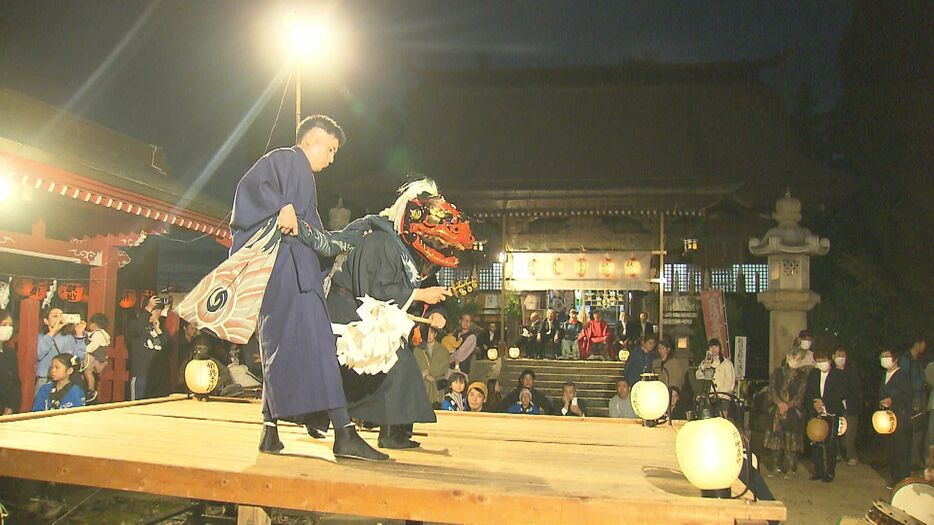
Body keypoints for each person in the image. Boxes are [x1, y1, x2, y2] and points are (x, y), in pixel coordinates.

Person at [230, 114, 385, 460]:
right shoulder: (287, 159)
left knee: (276, 347)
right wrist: (279, 206)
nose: (331, 159)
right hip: (291, 273)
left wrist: (337, 244)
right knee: (319, 348)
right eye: (329, 149)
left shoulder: (300, 174)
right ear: (312, 140)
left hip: (281, 275)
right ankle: (344, 432)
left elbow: (314, 233)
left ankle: (269, 430)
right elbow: (249, 189)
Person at [326, 178, 474, 451]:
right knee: (381, 369)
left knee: (399, 365)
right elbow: (371, 290)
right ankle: (363, 429)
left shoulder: (412, 255)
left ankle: (393, 432)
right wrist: (418, 296)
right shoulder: (381, 241)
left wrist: (438, 310)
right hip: (349, 315)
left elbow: (428, 290)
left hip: (376, 318)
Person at [764, 349, 808, 478]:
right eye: (793, 357)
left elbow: (801, 394)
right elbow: (772, 390)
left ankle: (790, 468)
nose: (795, 360)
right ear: (788, 357)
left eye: (798, 358)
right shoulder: (777, 373)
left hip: (794, 412)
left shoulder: (802, 376)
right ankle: (776, 466)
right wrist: (779, 403)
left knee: (792, 440)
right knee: (776, 439)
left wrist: (789, 405)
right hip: (777, 410)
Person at [805, 350, 847, 483]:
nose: (821, 363)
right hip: (816, 412)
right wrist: (815, 402)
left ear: (830, 361)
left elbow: (840, 392)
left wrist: (825, 402)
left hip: (831, 411)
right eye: (818, 361)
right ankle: (818, 470)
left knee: (830, 442)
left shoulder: (838, 375)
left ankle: (829, 471)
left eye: (823, 361)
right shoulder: (814, 374)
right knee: (816, 441)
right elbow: (809, 391)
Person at [878, 348, 913, 485]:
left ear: (895, 359)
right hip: (887, 417)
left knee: (901, 447)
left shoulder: (902, 375)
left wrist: (892, 400)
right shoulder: (885, 374)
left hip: (900, 416)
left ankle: (902, 477)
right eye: (882, 356)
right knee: (891, 447)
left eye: (887, 356)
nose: (884, 359)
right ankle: (894, 476)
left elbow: (907, 395)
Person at [126, 296, 169, 401]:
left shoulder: (158, 328)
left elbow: (165, 348)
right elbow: (136, 330)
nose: (157, 313)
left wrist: (158, 330)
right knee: (137, 405)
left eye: (159, 310)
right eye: (155, 310)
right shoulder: (136, 324)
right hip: (140, 374)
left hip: (155, 377)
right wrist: (148, 309)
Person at [36, 307, 86, 393]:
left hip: (65, 381)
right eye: (55, 316)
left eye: (61, 316)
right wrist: (53, 332)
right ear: (46, 321)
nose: (59, 319)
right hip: (45, 380)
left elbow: (78, 358)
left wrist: (79, 335)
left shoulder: (68, 337)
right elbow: (38, 354)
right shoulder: (40, 338)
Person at [899, 337, 928, 468]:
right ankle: (911, 460)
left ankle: (914, 458)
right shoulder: (906, 360)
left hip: (919, 397)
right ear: (917, 343)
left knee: (919, 429)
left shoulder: (917, 360)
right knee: (913, 429)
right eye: (923, 344)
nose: (924, 347)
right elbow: (905, 381)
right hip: (911, 399)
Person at [833, 347, 862, 466]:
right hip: (835, 406)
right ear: (833, 357)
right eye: (838, 355)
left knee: (850, 433)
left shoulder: (852, 371)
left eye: (843, 355)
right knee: (835, 431)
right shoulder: (831, 372)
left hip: (850, 406)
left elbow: (855, 388)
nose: (840, 358)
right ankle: (837, 454)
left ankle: (851, 455)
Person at [414, 326, 450, 406]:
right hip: (422, 384)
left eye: (431, 332)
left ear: (436, 334)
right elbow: (415, 365)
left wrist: (428, 372)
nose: (429, 335)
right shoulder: (417, 350)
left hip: (437, 384)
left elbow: (444, 366)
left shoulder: (443, 349)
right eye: (427, 333)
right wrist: (425, 376)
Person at [81, 313, 111, 403]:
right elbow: (89, 334)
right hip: (99, 357)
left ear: (93, 324)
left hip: (96, 356)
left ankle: (91, 390)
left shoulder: (98, 334)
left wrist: (84, 350)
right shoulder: (101, 333)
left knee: (88, 371)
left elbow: (92, 346)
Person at [0, 309, 20, 415]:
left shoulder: (10, 353)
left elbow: (15, 382)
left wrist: (12, 405)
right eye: (4, 324)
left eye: (10, 325)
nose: (8, 328)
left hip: (6, 408)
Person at [175, 321, 200, 390]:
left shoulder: (194, 341)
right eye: (192, 328)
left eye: (195, 329)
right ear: (185, 328)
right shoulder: (180, 341)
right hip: (180, 369)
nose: (194, 331)